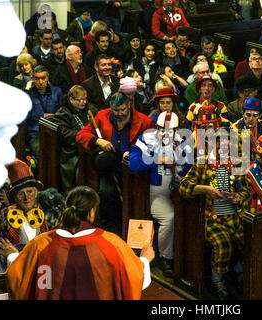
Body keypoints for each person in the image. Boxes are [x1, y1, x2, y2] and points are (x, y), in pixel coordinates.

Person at [5, 185, 155, 300]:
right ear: (91, 213)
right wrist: (145, 259)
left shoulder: (40, 244)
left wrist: (12, 256)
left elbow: (17, 278)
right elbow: (135, 278)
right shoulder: (112, 243)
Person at [179, 128, 248, 300]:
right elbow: (183, 186)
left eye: (228, 143)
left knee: (251, 241)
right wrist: (207, 190)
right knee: (223, 244)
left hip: (235, 218)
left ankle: (238, 272)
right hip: (213, 219)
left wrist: (239, 197)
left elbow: (246, 191)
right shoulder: (202, 163)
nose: (224, 146)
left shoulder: (237, 164)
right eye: (220, 143)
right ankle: (217, 281)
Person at [76, 92, 154, 235]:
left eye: (123, 110)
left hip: (134, 172)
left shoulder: (144, 121)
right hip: (110, 169)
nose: (119, 114)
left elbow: (151, 147)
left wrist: (134, 152)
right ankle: (111, 232)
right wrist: (97, 140)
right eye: (115, 110)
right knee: (105, 194)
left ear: (129, 105)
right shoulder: (101, 116)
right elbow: (81, 135)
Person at [130, 111, 191, 278]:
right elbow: (133, 163)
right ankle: (166, 257)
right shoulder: (145, 140)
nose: (165, 133)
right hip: (154, 194)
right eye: (161, 129)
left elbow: (190, 170)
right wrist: (158, 158)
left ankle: (186, 259)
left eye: (170, 130)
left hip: (177, 192)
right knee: (169, 218)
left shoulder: (182, 144)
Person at [0, 158, 47, 274]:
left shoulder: (46, 212)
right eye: (21, 194)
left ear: (36, 193)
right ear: (15, 197)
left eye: (30, 192)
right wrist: (10, 256)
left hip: (43, 268)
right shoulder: (5, 215)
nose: (27, 198)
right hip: (13, 270)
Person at [52, 85, 98, 194]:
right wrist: (84, 137)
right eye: (79, 100)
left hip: (92, 147)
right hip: (73, 151)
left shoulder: (91, 109)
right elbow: (65, 134)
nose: (83, 102)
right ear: (71, 99)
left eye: (85, 99)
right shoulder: (63, 113)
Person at [25, 65, 63, 157]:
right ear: (32, 79)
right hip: (35, 133)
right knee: (43, 151)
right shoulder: (28, 93)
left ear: (47, 78)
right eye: (37, 79)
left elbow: (62, 113)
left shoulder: (57, 91)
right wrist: (26, 90)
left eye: (43, 78)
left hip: (55, 131)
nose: (40, 82)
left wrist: (44, 116)